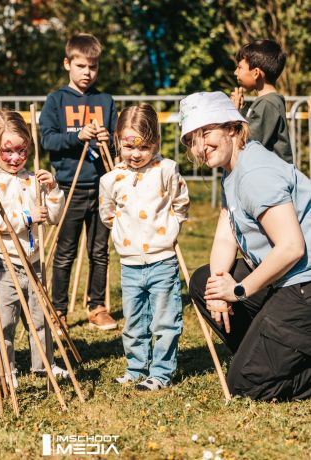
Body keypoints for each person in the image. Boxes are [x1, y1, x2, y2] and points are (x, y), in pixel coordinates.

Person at [180, 91, 311, 401]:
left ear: (231, 128)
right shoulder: (233, 170)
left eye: (206, 133)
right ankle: (265, 354)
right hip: (285, 280)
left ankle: (272, 362)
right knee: (204, 282)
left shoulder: (254, 173)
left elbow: (292, 247)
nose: (200, 147)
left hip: (304, 284)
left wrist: (237, 291)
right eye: (192, 140)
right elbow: (226, 235)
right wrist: (218, 289)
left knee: (246, 385)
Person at [99, 104, 189, 391]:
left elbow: (181, 203)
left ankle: (161, 372)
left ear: (156, 143)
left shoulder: (167, 170)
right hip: (130, 264)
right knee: (134, 321)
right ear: (118, 142)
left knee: (164, 320)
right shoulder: (111, 179)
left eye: (145, 147)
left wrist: (170, 231)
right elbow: (107, 213)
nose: (136, 154)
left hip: (162, 260)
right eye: (129, 147)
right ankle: (137, 367)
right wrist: (126, 236)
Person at [0, 110, 68, 388]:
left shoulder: (33, 179)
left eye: (22, 150)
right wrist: (27, 218)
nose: (16, 158)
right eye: (8, 151)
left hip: (34, 261)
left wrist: (53, 191)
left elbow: (53, 216)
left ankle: (44, 364)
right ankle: (5, 369)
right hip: (3, 262)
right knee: (5, 321)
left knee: (40, 318)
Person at [39, 33, 118, 332]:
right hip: (69, 186)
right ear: (67, 64)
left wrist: (107, 140)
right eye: (82, 65)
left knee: (99, 251)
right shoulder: (56, 99)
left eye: (93, 67)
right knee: (65, 251)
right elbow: (48, 139)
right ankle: (58, 309)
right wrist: (77, 136)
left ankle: (97, 307)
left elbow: (115, 146)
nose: (87, 72)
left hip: (100, 187)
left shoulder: (105, 101)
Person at [231, 39, 293, 163]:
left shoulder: (268, 103)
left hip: (273, 179)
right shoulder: (265, 102)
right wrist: (240, 110)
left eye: (240, 67)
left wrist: (233, 113)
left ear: (256, 73)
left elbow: (246, 143)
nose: (235, 72)